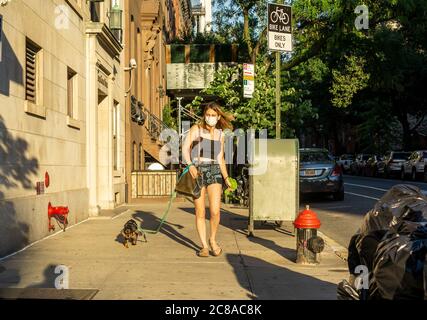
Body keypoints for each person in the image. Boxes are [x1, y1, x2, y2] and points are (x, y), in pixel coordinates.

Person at [182, 101, 235, 257]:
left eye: (213, 115)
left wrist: (226, 178)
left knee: (215, 211)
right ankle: (204, 246)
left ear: (218, 117)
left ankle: (212, 239)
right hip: (197, 170)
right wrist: (190, 165)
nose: (210, 117)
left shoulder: (220, 135)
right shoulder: (196, 129)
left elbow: (220, 158)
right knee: (199, 212)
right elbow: (185, 149)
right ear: (204, 115)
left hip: (214, 171)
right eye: (207, 115)